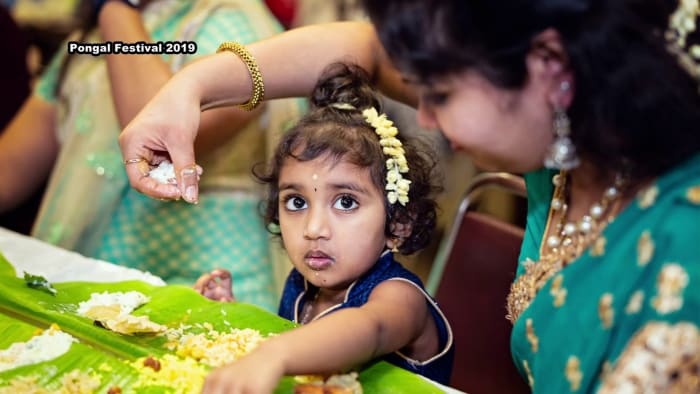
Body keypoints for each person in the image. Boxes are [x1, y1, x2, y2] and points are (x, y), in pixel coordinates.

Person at [119, 0, 700, 392]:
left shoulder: (681, 243)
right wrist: (190, 88)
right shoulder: (564, 145)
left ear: (550, 67)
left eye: (439, 94)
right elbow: (363, 51)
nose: (424, 116)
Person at [0, 0, 305, 312]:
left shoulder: (229, 25)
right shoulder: (88, 40)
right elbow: (10, 169)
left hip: (199, 297)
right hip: (96, 289)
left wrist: (114, 8)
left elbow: (154, 130)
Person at [198, 63, 453, 392]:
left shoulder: (399, 299)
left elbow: (367, 329)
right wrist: (237, 325)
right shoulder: (304, 286)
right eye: (297, 203)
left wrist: (274, 354)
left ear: (398, 223)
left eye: (346, 202)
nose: (314, 228)